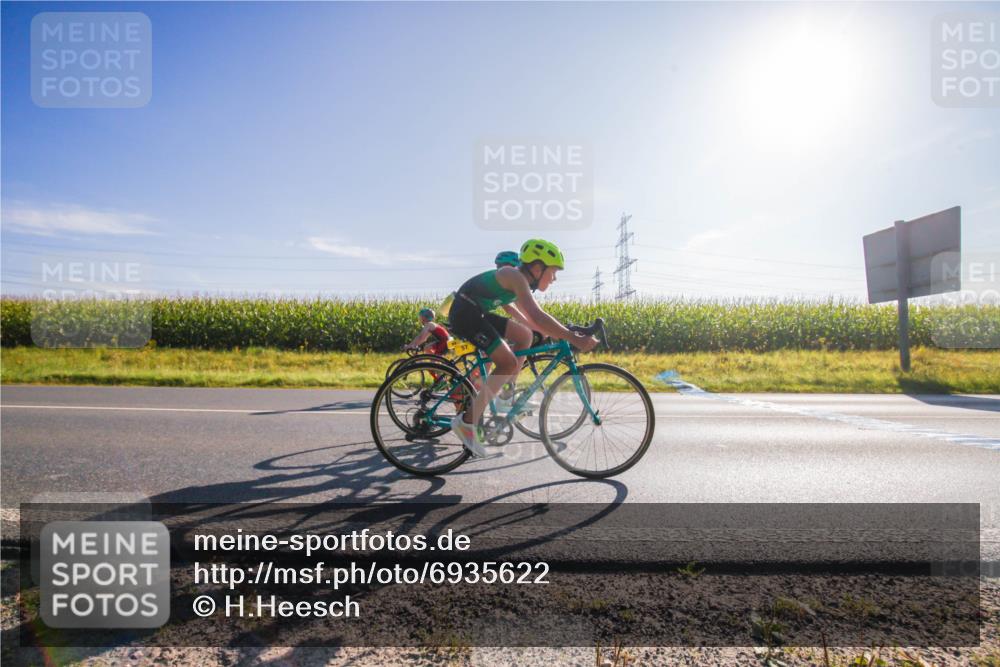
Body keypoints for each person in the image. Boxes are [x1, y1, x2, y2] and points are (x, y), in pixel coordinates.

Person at [447, 239, 598, 456]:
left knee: (524, 335)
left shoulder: (520, 283)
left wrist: (559, 331)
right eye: (553, 272)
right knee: (506, 362)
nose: (554, 278)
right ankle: (467, 422)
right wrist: (571, 337)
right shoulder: (513, 275)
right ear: (538, 268)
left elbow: (531, 319)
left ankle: (505, 396)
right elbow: (536, 315)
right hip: (465, 314)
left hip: (477, 311)